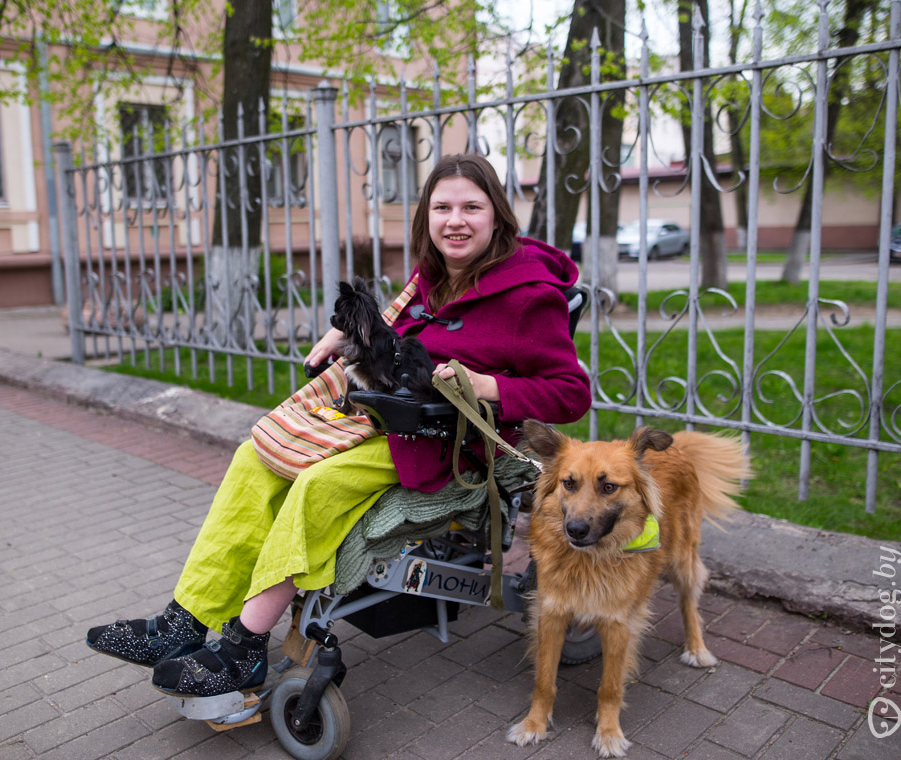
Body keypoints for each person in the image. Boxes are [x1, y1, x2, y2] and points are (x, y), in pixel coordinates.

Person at [85, 153, 592, 699]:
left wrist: (485, 384)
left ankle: (242, 649)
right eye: (442, 207)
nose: (456, 221)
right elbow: (391, 333)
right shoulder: (433, 276)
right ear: (426, 215)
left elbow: (571, 393)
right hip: (385, 417)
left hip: (448, 444)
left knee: (315, 488)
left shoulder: (527, 297)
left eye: (472, 207)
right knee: (254, 458)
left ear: (497, 215)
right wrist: (343, 338)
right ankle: (181, 624)